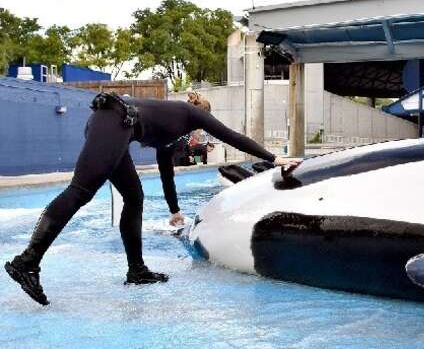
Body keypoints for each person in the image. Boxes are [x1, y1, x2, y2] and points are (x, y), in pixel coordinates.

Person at [4, 92, 301, 306]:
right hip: (114, 118)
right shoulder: (188, 114)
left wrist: (174, 210)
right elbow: (231, 136)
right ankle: (26, 262)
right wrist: (273, 158)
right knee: (80, 191)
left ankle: (137, 269)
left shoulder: (169, 137)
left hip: (116, 123)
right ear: (202, 115)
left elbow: (167, 175)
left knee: (134, 196)